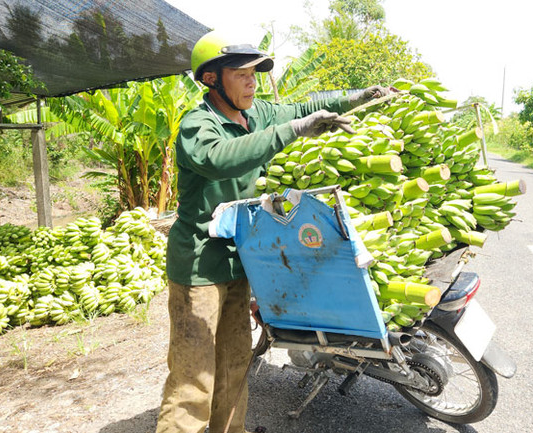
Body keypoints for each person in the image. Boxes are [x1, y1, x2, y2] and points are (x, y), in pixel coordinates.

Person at [156, 30, 391, 433]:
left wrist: (357, 97)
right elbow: (220, 159)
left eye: (254, 74)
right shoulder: (199, 125)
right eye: (241, 74)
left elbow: (305, 107)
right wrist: (294, 129)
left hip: (240, 260)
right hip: (199, 266)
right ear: (211, 79)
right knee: (194, 376)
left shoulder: (256, 114)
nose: (251, 83)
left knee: (234, 364)